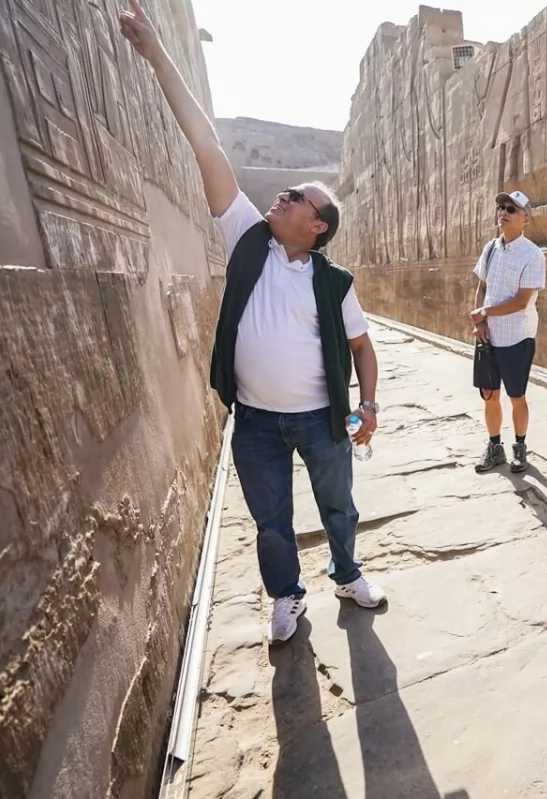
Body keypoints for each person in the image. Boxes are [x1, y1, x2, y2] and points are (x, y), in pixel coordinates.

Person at [119, 0, 386, 644]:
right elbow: (205, 141)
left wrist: (368, 403)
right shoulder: (245, 237)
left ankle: (347, 573)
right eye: (288, 191)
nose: (284, 195)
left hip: (323, 421)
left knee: (339, 508)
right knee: (270, 520)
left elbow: (362, 345)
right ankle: (286, 596)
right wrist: (157, 53)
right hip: (258, 421)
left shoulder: (333, 282)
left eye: (298, 197)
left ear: (316, 226)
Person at [471, 190, 547, 474]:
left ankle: (520, 447)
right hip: (488, 336)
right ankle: (494, 447)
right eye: (501, 207)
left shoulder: (533, 254)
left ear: (525, 218)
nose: (503, 212)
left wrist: (485, 313)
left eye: (511, 209)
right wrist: (480, 324)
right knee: (489, 394)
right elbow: (481, 288)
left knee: (517, 396)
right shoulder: (491, 248)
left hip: (517, 336)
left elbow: (521, 301)